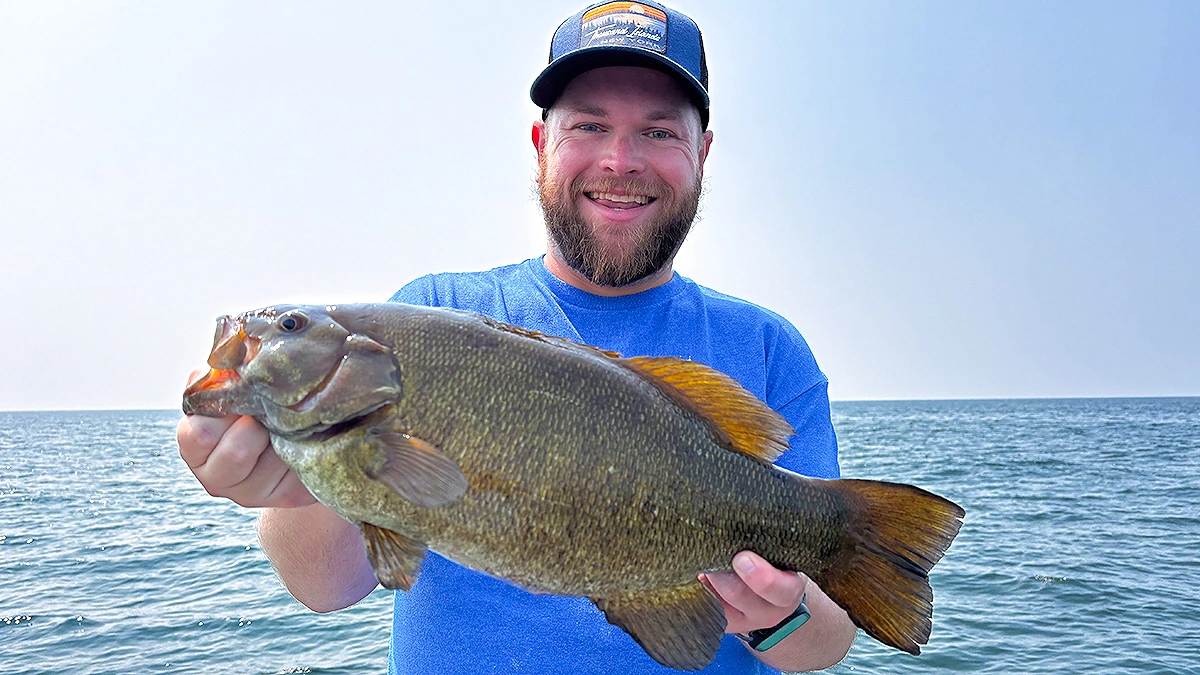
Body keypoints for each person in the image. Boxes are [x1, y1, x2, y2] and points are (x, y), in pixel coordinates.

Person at [178, 1, 858, 672]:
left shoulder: (771, 349)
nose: (620, 160)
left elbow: (826, 643)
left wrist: (780, 612)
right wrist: (301, 485)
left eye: (658, 132)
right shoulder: (431, 310)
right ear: (541, 148)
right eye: (589, 125)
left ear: (702, 153)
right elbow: (323, 587)